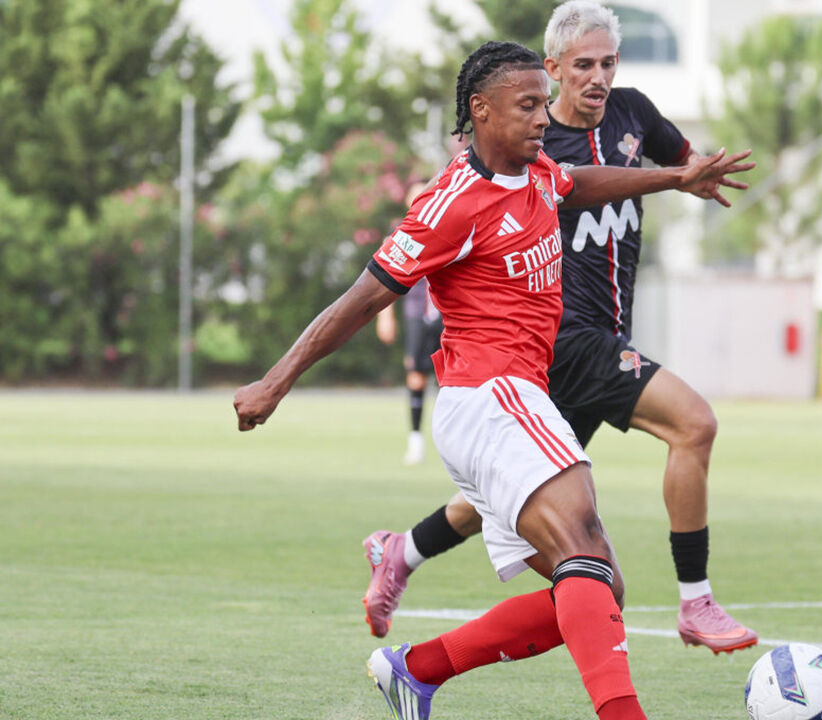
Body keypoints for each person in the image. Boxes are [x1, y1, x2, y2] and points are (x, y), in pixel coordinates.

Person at [234, 41, 752, 720]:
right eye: (528, 105)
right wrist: (275, 382)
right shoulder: (450, 203)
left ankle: (418, 670)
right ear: (480, 110)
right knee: (585, 546)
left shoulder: (536, 170)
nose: (543, 118)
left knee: (598, 587)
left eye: (544, 104)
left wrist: (674, 178)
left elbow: (577, 183)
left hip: (507, 403)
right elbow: (361, 300)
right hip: (492, 397)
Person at [361, 0, 758, 654]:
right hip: (567, 341)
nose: (598, 77)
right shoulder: (531, 142)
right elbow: (468, 188)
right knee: (694, 424)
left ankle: (401, 552)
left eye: (608, 63)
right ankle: (696, 601)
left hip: (593, 344)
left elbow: (683, 162)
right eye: (583, 66)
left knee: (498, 498)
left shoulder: (634, 114)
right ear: (552, 69)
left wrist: (692, 175)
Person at [375, 263, 443, 464]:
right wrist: (385, 315)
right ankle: (416, 440)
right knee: (416, 376)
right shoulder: (405, 239)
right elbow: (388, 270)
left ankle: (453, 441)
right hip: (417, 311)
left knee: (453, 376)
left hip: (448, 311)